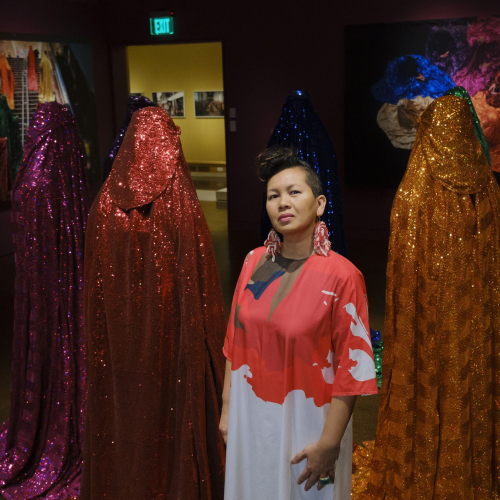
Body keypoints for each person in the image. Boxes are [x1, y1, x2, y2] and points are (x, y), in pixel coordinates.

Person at [82, 106, 226, 500]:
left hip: (115, 341)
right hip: (174, 335)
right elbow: (202, 284)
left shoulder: (102, 206)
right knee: (170, 405)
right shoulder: (179, 201)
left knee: (124, 405)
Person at [220, 147, 378, 500]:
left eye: (294, 192)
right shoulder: (253, 261)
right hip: (251, 419)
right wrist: (228, 410)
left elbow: (353, 372)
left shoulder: (343, 276)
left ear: (320, 203)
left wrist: (329, 443)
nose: (282, 203)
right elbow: (235, 338)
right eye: (273, 196)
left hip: (308, 426)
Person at [365, 94, 500, 498]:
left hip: (425, 323)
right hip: (474, 323)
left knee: (431, 380)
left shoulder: (411, 195)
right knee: (469, 384)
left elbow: (403, 278)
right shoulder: (489, 191)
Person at [0, 102, 89, 499]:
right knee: (63, 352)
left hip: (37, 298)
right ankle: (64, 426)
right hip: (62, 294)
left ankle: (37, 422)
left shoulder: (27, 176)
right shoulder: (60, 176)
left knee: (43, 351)